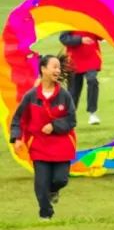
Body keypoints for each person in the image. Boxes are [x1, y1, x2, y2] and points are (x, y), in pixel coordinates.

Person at [9, 54, 76, 220]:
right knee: (41, 183)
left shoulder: (64, 95)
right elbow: (19, 119)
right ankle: (45, 214)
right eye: (54, 67)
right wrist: (18, 138)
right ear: (43, 69)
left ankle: (54, 191)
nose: (58, 70)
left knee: (61, 180)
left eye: (59, 67)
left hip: (62, 146)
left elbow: (71, 120)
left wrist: (54, 126)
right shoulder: (31, 96)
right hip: (39, 146)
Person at [58, 30, 103, 125]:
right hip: (73, 60)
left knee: (92, 80)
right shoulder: (70, 23)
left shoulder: (92, 22)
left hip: (91, 58)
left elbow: (101, 36)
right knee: (73, 90)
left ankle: (92, 113)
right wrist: (80, 40)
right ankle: (69, 116)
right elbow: (63, 39)